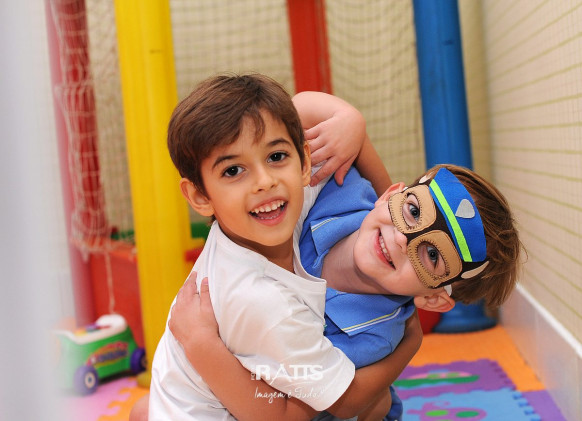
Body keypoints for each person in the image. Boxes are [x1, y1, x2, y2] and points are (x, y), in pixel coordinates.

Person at [145, 75, 423, 421]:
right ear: (200, 196)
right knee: (375, 404)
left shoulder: (275, 212)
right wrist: (410, 343)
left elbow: (302, 107)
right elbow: (320, 407)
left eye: (276, 156)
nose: (265, 181)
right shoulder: (264, 301)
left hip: (182, 392)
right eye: (233, 170)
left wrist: (353, 124)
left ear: (304, 162)